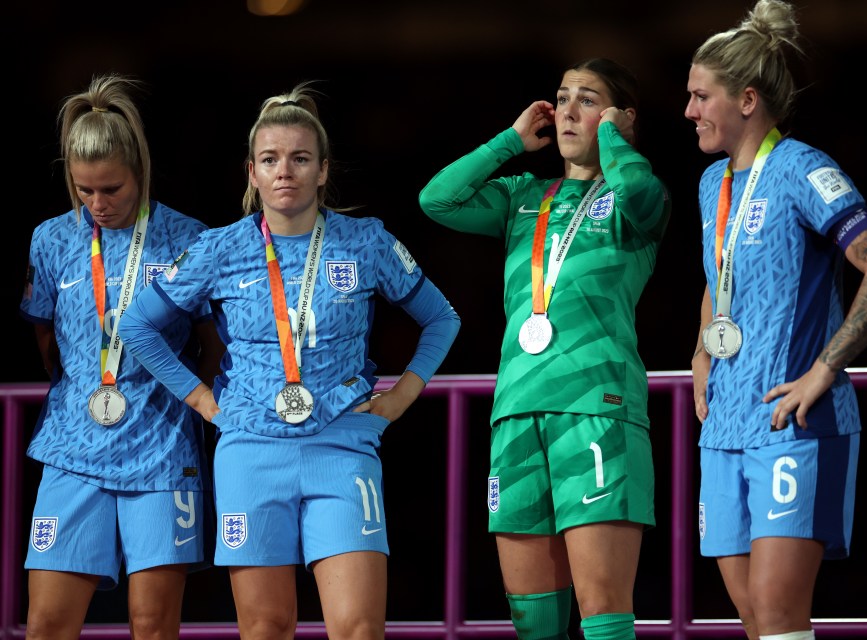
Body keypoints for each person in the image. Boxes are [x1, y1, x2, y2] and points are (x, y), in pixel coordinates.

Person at [118, 82, 460, 640]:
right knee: (266, 627)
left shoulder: (365, 241)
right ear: (252, 173)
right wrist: (202, 399)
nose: (286, 171)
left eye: (300, 158)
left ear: (323, 170)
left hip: (344, 445)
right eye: (270, 160)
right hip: (249, 450)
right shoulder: (220, 248)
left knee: (357, 628)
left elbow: (442, 317)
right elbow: (136, 325)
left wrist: (402, 396)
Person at [684, 2, 867, 639]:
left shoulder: (804, 170)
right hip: (725, 426)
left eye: (702, 96)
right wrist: (704, 351)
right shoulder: (710, 183)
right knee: (757, 621)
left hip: (796, 422)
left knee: (783, 616)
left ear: (748, 99)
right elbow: (719, 277)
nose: (690, 111)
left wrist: (824, 370)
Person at [420, 58, 671, 640]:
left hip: (597, 410)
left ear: (620, 118)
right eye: (562, 99)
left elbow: (636, 186)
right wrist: (509, 141)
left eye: (589, 100)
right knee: (533, 622)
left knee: (603, 606)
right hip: (516, 412)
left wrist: (612, 137)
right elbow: (438, 200)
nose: (568, 112)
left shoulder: (636, 203)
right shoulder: (522, 197)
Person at [18, 74, 220, 639]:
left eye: (112, 189)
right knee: (47, 623)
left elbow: (212, 344)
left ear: (141, 172)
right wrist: (87, 383)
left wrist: (178, 403)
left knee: (153, 625)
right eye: (84, 190)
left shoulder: (188, 239)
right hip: (72, 446)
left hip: (162, 451)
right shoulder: (51, 239)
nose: (98, 204)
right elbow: (45, 338)